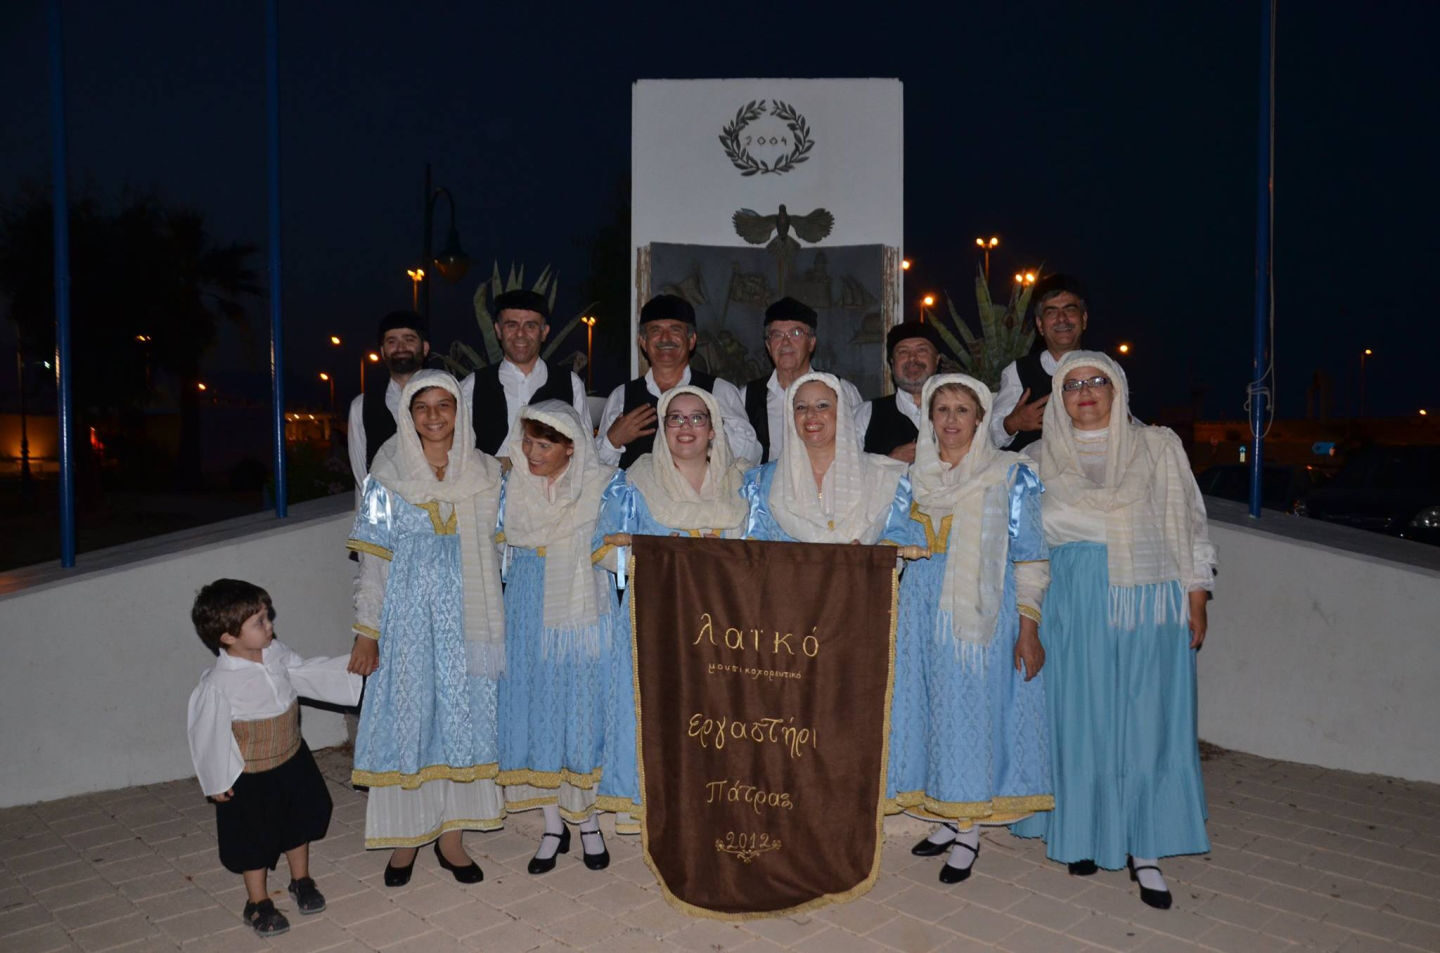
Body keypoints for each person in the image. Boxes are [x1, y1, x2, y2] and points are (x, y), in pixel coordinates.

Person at [1011, 350, 1216, 910]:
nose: (1084, 391)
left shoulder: (1157, 447)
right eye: (1072, 383)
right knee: (1080, 722)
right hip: (1072, 605)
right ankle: (1081, 831)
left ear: (1117, 388)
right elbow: (1029, 550)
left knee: (1145, 722)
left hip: (1148, 602)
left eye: (1096, 380)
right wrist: (1029, 620)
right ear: (1058, 396)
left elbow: (1189, 523)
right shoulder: (1035, 460)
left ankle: (1143, 846)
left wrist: (1197, 596)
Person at [885, 375, 1053, 885]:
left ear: (981, 418)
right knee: (930, 710)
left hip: (980, 614)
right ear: (929, 418)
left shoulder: (1009, 474)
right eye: (943, 410)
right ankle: (945, 815)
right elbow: (890, 540)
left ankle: (968, 831)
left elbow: (1030, 555)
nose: (952, 420)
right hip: (918, 614)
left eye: (963, 410)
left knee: (968, 713)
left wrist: (1029, 628)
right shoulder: (913, 477)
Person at [346, 370, 507, 887]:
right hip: (407, 621)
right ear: (407, 413)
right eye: (422, 406)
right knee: (409, 719)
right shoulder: (385, 473)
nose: (434, 416)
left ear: (460, 409)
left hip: (470, 619)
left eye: (444, 404)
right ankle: (405, 838)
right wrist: (367, 631)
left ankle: (452, 838)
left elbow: (503, 551)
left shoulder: (487, 472)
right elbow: (373, 561)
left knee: (464, 719)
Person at [591, 386, 752, 821]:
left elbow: (764, 551)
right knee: (664, 709)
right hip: (660, 618)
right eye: (675, 418)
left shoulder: (743, 482)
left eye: (697, 417)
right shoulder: (636, 481)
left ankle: (716, 805)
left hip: (726, 622)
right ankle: (659, 808)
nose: (686, 426)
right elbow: (602, 549)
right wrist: (657, 556)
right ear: (663, 429)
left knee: (719, 713)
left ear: (713, 429)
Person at [187, 579, 362, 937]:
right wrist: (216, 779)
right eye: (260, 622)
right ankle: (258, 902)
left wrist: (351, 670)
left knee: (298, 821)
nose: (270, 626)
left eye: (267, 617)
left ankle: (301, 880)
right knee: (254, 837)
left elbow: (305, 672)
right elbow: (208, 733)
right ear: (227, 636)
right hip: (250, 775)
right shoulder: (218, 684)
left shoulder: (276, 653)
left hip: (292, 757)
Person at [496, 401, 617, 874]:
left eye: (544, 445)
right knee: (537, 707)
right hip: (527, 602)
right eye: (528, 441)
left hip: (581, 606)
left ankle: (587, 822)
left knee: (580, 709)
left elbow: (615, 550)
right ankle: (552, 825)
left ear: (571, 448)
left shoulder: (601, 486)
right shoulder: (511, 486)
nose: (531, 453)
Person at [742, 371, 914, 545]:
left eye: (822, 405)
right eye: (801, 407)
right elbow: (753, 549)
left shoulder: (883, 478)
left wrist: (866, 556)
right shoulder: (763, 482)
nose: (810, 414)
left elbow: (899, 540)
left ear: (841, 413)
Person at [596, 293, 760, 468]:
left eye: (675, 330)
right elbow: (596, 471)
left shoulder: (719, 391)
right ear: (643, 342)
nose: (665, 338)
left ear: (691, 340)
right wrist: (613, 441)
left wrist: (712, 430)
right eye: (655, 330)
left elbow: (750, 457)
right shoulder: (622, 396)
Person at [459, 288, 589, 457]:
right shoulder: (472, 385)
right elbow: (458, 451)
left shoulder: (570, 384)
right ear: (498, 330)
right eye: (511, 325)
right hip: (490, 474)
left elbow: (585, 451)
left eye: (530, 326)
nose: (520, 334)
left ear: (544, 332)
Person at [740, 296, 864, 464]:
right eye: (777, 335)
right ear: (768, 346)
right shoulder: (747, 396)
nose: (786, 342)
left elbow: (859, 450)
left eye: (796, 333)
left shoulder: (840, 390)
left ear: (811, 342)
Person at [990, 273, 1089, 452]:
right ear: (1040, 325)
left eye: (1069, 310)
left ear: (1083, 319)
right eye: (1052, 312)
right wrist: (1013, 423)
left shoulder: (1105, 369)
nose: (1062, 319)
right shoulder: (1019, 371)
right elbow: (989, 437)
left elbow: (1127, 424)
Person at [347, 310, 431, 490]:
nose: (400, 347)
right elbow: (361, 473)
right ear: (383, 351)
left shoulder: (447, 400)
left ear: (424, 348)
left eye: (409, 339)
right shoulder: (362, 406)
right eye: (392, 341)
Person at [858, 321, 943, 462]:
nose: (912, 358)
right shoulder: (865, 415)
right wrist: (888, 462)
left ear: (937, 360)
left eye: (921, 350)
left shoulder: (962, 413)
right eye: (903, 352)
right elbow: (845, 468)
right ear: (892, 362)